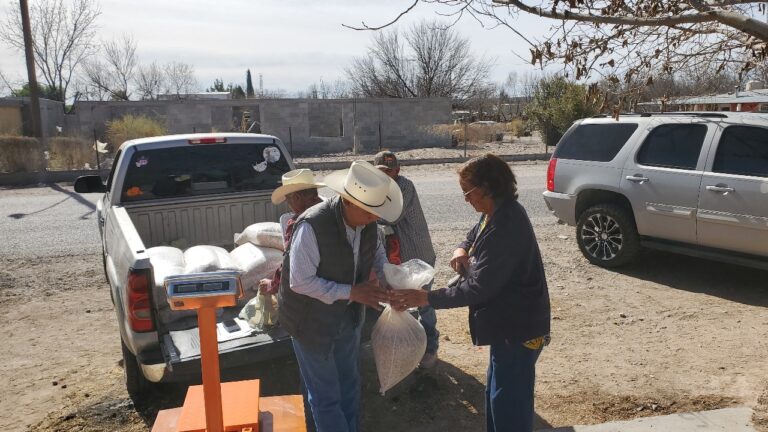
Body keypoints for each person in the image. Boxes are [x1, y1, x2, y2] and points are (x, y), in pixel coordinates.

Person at [389, 154, 551, 432]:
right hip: (507, 327)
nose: (465, 199)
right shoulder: (495, 213)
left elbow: (478, 288)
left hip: (519, 328)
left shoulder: (506, 224)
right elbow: (475, 232)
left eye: (468, 192)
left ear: (487, 187)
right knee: (498, 396)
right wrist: (461, 249)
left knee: (509, 403)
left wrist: (427, 298)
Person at [278, 160, 403, 432]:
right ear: (348, 201)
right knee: (325, 396)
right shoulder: (311, 225)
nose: (374, 218)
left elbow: (378, 256)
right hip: (310, 323)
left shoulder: (368, 224)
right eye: (369, 212)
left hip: (348, 317)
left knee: (349, 386)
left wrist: (390, 282)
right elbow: (299, 282)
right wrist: (352, 292)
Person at [373, 150, 440, 369]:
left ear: (398, 170)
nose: (386, 175)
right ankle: (408, 345)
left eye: (390, 171)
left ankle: (430, 347)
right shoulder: (379, 188)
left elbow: (390, 216)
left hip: (418, 255)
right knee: (399, 303)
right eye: (381, 172)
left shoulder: (404, 186)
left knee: (424, 304)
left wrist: (360, 210)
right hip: (399, 256)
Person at [258, 168, 324, 295]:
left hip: (310, 296)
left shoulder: (297, 224)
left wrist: (272, 285)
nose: (288, 204)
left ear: (297, 197)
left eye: (288, 200)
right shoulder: (331, 212)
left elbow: (289, 264)